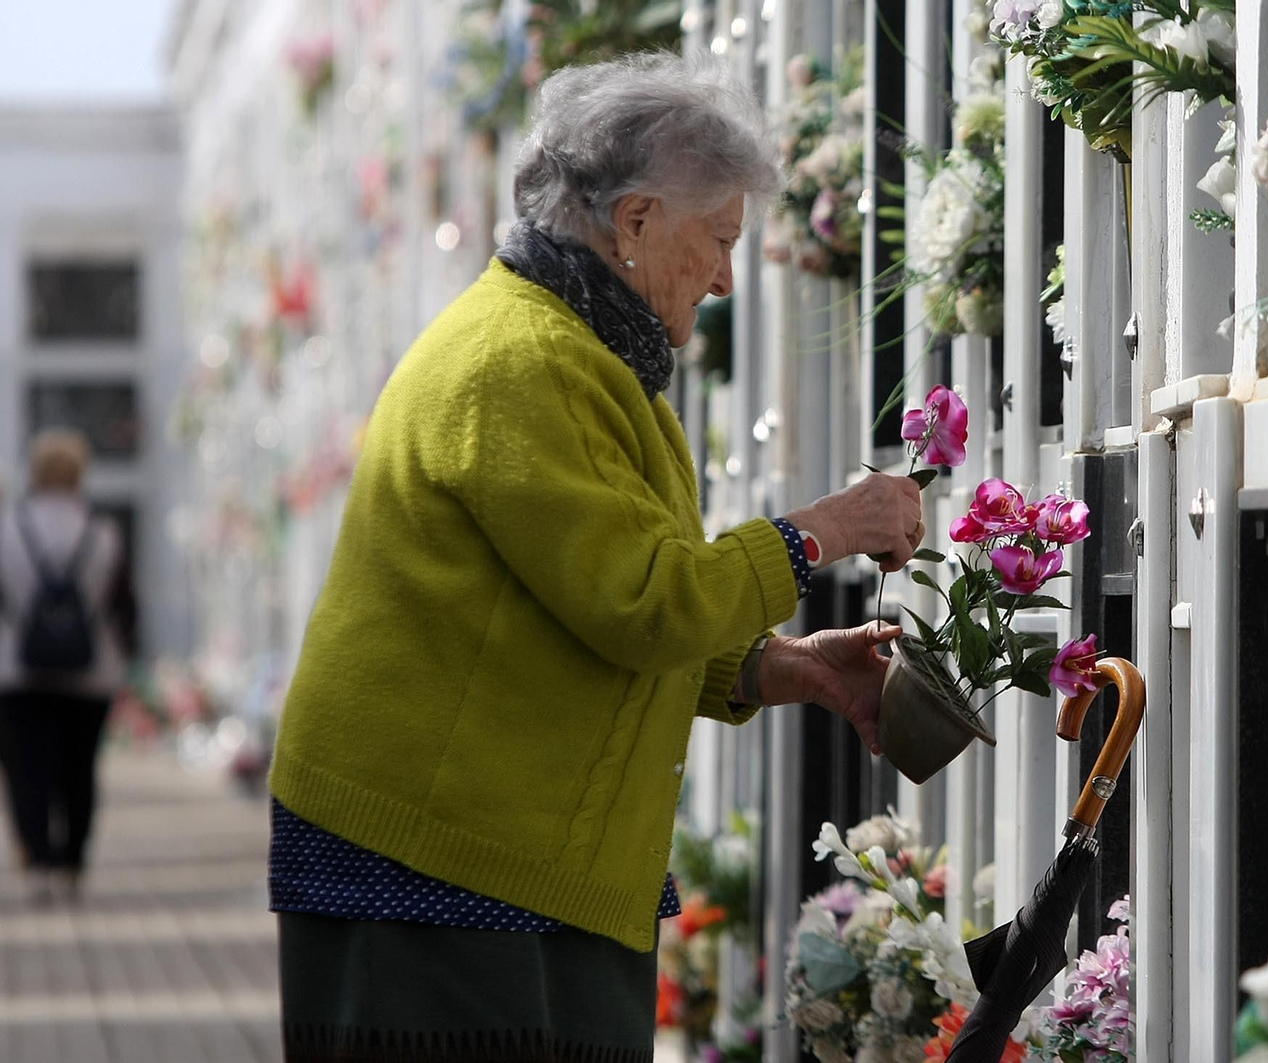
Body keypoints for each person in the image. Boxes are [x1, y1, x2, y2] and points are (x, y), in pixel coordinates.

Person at [268, 51, 925, 1063]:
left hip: (497, 849)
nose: (721, 279)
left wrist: (770, 665)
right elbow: (640, 602)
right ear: (633, 221)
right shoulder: (521, 363)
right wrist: (822, 531)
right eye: (716, 241)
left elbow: (583, 599)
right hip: (427, 854)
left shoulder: (580, 354)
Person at [0, 428, 127, 904]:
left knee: (25, 768)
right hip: (89, 673)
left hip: (16, 671)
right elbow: (123, 607)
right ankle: (73, 861)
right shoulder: (104, 531)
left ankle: (38, 861)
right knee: (79, 768)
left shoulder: (8, 528)